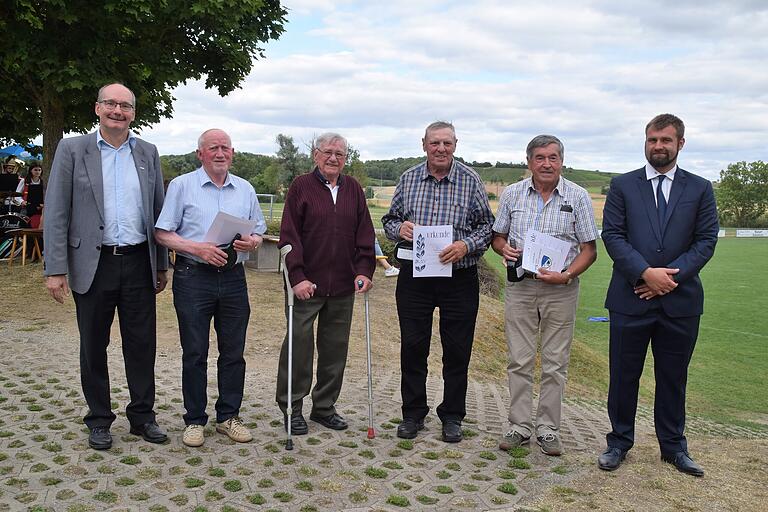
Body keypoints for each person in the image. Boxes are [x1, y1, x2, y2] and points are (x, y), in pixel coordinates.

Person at [43, 83, 169, 450]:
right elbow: (56, 211)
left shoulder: (147, 152)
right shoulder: (72, 149)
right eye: (111, 104)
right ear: (97, 108)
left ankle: (143, 417)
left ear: (133, 113)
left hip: (137, 262)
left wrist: (161, 265)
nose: (118, 110)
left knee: (142, 345)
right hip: (92, 265)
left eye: (125, 105)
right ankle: (99, 419)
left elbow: (157, 212)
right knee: (93, 345)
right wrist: (55, 269)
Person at [598, 114, 718, 477]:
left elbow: (706, 240)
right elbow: (613, 235)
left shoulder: (699, 188)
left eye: (666, 140)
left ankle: (674, 448)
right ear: (645, 141)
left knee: (672, 376)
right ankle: (619, 442)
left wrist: (668, 279)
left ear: (680, 143)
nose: (658, 146)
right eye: (652, 139)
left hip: (679, 302)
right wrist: (645, 273)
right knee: (623, 376)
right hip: (629, 298)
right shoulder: (622, 185)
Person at [382, 121, 494, 443]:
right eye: (435, 143)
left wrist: (465, 246)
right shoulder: (408, 179)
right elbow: (389, 220)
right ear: (424, 145)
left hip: (459, 277)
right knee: (413, 346)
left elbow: (488, 227)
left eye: (447, 143)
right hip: (415, 277)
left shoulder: (470, 180)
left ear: (456, 145)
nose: (441, 149)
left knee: (457, 350)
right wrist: (399, 229)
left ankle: (452, 415)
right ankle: (413, 413)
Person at [155, 128, 266, 448]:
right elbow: (163, 233)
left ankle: (228, 416)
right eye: (213, 148)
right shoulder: (182, 186)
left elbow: (258, 234)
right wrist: (196, 248)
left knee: (233, 352)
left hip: (233, 279)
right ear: (200, 154)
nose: (220, 153)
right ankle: (194, 420)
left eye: (226, 148)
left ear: (233, 153)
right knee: (195, 352)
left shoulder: (245, 189)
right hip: (194, 277)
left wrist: (252, 242)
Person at [491, 135, 598, 456]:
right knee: (519, 360)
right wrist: (503, 248)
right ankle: (519, 426)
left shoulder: (577, 197)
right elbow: (498, 238)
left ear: (561, 161)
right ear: (529, 162)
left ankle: (548, 429)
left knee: (555, 363)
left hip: (560, 290)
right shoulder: (511, 195)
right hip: (521, 287)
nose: (547, 164)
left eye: (553, 157)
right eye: (540, 158)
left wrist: (566, 274)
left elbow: (590, 250)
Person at [277, 132, 375, 434]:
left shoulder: (354, 190)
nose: (334, 158)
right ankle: (292, 407)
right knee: (299, 347)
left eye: (340, 154)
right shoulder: (301, 187)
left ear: (346, 159)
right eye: (328, 152)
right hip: (306, 285)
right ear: (315, 155)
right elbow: (289, 237)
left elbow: (365, 236)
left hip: (344, 286)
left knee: (335, 350)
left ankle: (324, 406)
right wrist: (297, 277)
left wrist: (364, 270)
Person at [23, 161, 45, 228]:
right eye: (35, 170)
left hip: (41, 207)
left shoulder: (43, 182)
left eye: (39, 170)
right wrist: (22, 201)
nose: (37, 172)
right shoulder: (24, 181)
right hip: (27, 206)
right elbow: (17, 194)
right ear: (31, 171)